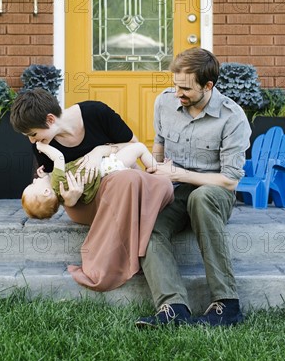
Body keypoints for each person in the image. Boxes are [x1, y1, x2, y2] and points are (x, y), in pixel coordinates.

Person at [10, 88, 174, 292]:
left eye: (33, 134)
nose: (32, 141)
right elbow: (55, 193)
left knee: (145, 182)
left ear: (50, 119)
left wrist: (99, 151)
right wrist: (70, 200)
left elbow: (133, 144)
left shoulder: (96, 113)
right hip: (81, 203)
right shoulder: (42, 145)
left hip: (117, 188)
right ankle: (108, 265)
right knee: (126, 180)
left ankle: (129, 243)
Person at [135, 47, 251, 328]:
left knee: (200, 197)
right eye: (175, 85)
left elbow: (230, 180)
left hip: (214, 192)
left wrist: (180, 173)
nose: (177, 93)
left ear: (208, 86)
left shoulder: (232, 117)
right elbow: (159, 145)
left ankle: (227, 304)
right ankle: (173, 309)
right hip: (174, 189)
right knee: (147, 224)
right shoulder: (164, 102)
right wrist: (156, 175)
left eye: (185, 88)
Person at [22, 140, 161, 220]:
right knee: (140, 148)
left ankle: (149, 182)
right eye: (33, 184)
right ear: (47, 191)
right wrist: (41, 146)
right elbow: (58, 157)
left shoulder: (60, 193)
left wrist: (43, 177)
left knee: (132, 164)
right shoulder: (56, 181)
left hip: (105, 175)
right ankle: (159, 172)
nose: (34, 180)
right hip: (106, 167)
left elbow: (54, 181)